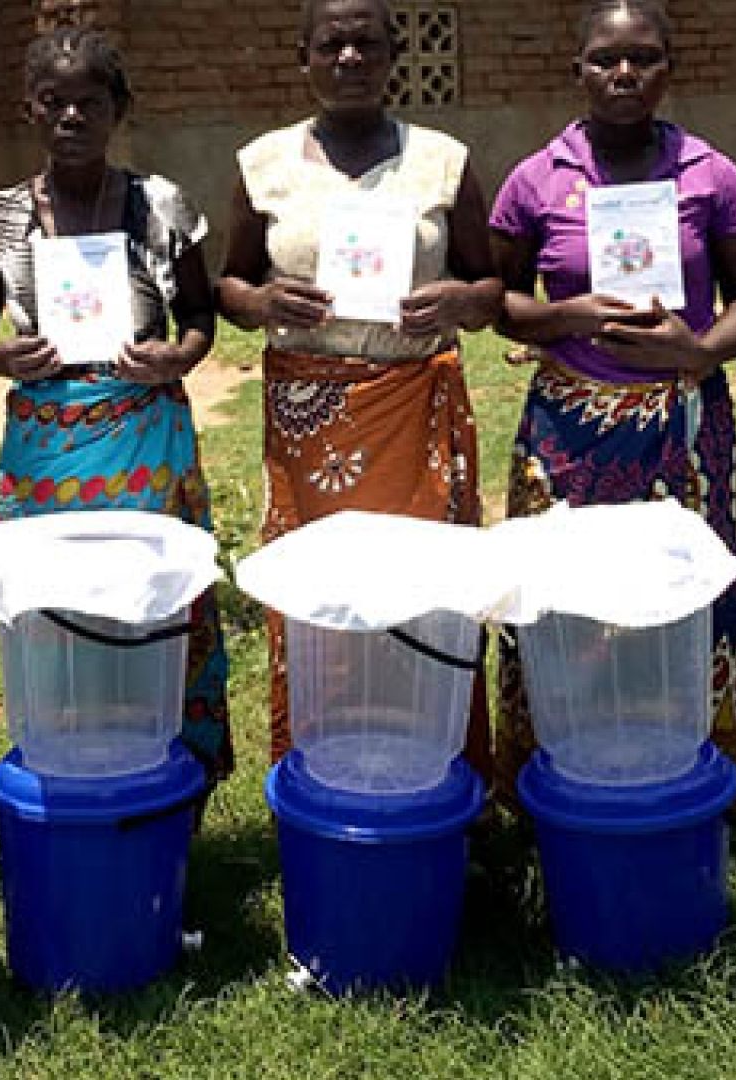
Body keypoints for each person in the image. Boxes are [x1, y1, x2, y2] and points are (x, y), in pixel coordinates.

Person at [488, 0, 736, 812]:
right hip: (566, 430)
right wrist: (569, 317)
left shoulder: (710, 175)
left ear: (667, 69)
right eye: (605, 59)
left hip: (684, 422)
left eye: (643, 58)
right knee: (559, 602)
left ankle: (694, 777)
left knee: (692, 597)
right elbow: (499, 304)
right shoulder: (536, 179)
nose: (623, 73)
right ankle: (552, 777)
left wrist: (704, 350)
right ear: (577, 70)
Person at [217, 0, 503, 774]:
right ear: (302, 56)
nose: (349, 59)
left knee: (426, 590)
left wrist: (459, 301)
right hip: (310, 422)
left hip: (417, 411)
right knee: (321, 594)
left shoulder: (442, 160)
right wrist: (263, 302)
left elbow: (491, 288)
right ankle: (322, 765)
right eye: (331, 45)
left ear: (393, 56)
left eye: (366, 44)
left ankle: (440, 768)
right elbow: (230, 286)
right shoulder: (263, 164)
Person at [0, 28, 232, 784]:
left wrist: (177, 356)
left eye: (89, 102)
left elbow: (201, 316)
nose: (71, 116)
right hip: (48, 452)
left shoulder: (163, 205)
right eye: (54, 102)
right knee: (59, 605)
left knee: (155, 600)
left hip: (145, 436)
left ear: (119, 111)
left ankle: (174, 767)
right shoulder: (1, 219)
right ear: (29, 112)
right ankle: (71, 761)